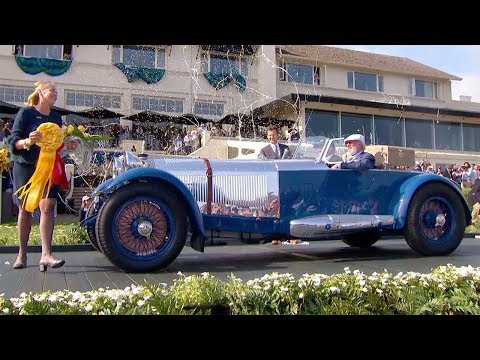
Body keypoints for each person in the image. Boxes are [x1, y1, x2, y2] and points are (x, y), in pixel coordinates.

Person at [7, 81, 73, 271]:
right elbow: (13, 140)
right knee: (25, 209)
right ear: (40, 93)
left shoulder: (56, 117)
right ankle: (22, 254)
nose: (55, 94)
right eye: (51, 91)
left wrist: (68, 145)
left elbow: (57, 144)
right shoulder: (26, 113)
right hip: (26, 166)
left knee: (48, 205)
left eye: (56, 92)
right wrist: (27, 141)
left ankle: (46, 254)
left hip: (48, 167)